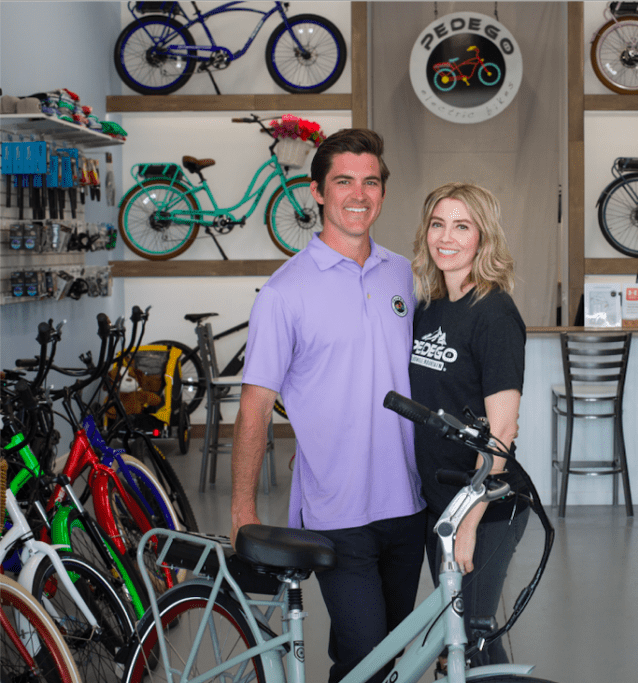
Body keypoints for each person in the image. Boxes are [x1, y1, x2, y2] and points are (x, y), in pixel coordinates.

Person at [232, 128, 426, 683]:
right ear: (317, 192)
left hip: (407, 501)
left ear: (383, 193)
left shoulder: (403, 276)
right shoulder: (283, 293)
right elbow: (255, 407)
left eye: (370, 182)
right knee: (368, 655)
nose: (358, 194)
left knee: (392, 650)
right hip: (337, 509)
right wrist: (242, 511)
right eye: (344, 181)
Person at [408, 182, 529, 666]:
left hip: (486, 506)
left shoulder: (494, 313)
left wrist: (467, 523)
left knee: (472, 634)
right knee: (454, 631)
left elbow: (502, 433)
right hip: (439, 499)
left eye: (462, 226)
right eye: (438, 224)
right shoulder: (429, 305)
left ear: (484, 238)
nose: (446, 237)